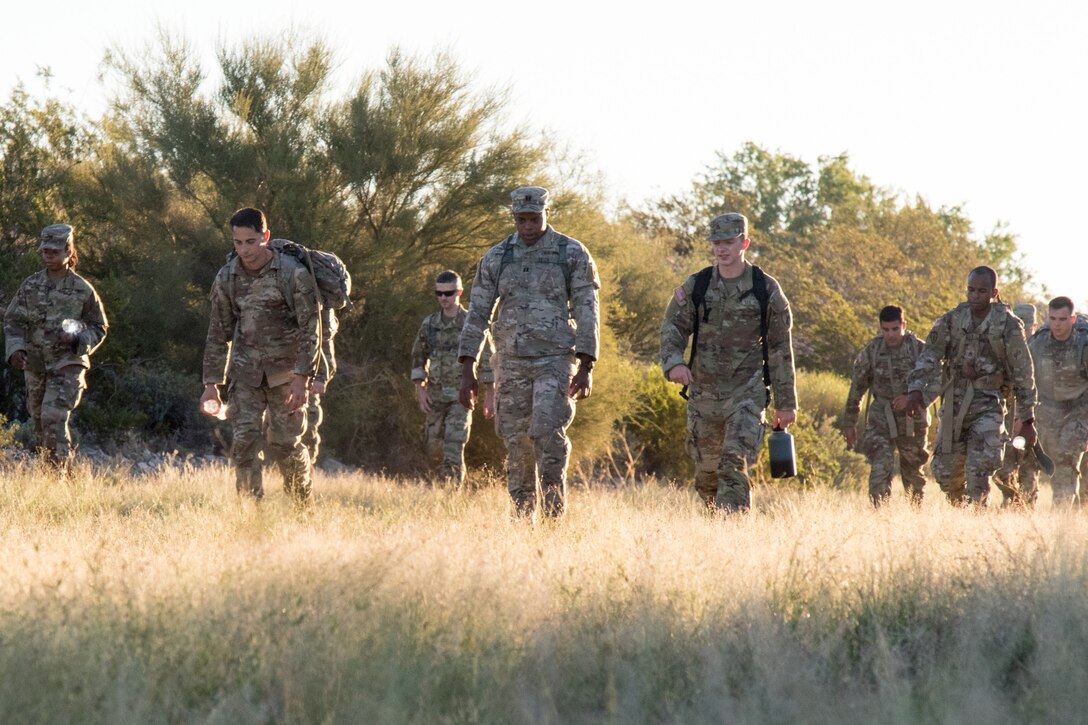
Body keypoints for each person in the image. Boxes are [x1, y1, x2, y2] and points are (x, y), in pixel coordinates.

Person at [457, 186, 600, 518]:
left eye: (534, 219)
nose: (528, 227)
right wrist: (468, 369)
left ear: (547, 214)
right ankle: (523, 518)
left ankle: (553, 516)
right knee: (516, 442)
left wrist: (586, 363)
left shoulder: (572, 253)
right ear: (513, 218)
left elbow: (587, 309)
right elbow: (477, 312)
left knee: (548, 434)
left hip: (555, 359)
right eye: (521, 220)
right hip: (510, 360)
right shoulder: (497, 257)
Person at [660, 213, 797, 512]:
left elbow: (780, 349)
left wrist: (786, 404)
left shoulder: (766, 289)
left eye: (729, 242)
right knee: (707, 476)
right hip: (704, 395)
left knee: (733, 462)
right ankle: (717, 535)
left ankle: (732, 527)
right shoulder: (698, 285)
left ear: (744, 243)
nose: (721, 249)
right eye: (717, 243)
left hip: (746, 394)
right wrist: (673, 363)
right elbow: (672, 326)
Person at [200, 207, 319, 503]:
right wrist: (211, 384)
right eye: (237, 243)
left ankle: (300, 507)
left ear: (265, 237)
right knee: (244, 444)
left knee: (284, 444)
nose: (244, 250)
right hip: (245, 375)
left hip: (286, 376)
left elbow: (310, 329)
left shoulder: (293, 275)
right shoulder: (227, 277)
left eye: (251, 242)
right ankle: (250, 514)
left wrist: (302, 378)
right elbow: (218, 333)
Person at [905, 266, 1037, 506]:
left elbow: (1023, 372)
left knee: (980, 468)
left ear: (993, 292)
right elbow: (929, 356)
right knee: (945, 473)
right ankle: (960, 509)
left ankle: (977, 513)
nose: (975, 296)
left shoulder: (1008, 325)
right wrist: (915, 390)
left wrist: (1027, 419)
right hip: (955, 402)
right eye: (971, 290)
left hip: (988, 403)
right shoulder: (953, 319)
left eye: (981, 291)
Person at [4, 224, 108, 468]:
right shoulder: (30, 286)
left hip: (67, 365)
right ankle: (58, 478)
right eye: (44, 251)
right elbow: (13, 320)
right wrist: (15, 349)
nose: (48, 256)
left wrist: (77, 340)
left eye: (54, 251)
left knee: (53, 418)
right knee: (40, 421)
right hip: (36, 365)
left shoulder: (83, 289)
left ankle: (59, 478)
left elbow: (99, 327)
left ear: (68, 252)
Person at [411, 270, 494, 484]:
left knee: (454, 444)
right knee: (432, 447)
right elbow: (418, 356)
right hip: (435, 396)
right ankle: (437, 490)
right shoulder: (429, 324)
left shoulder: (472, 324)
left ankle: (451, 495)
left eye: (448, 293)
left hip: (462, 396)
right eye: (439, 293)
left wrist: (490, 395)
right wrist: (420, 389)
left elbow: (488, 360)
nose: (443, 298)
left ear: (459, 292)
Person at [842, 305, 929, 507]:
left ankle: (915, 517)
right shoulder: (872, 352)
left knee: (912, 470)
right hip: (881, 415)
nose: (890, 334)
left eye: (895, 329)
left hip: (912, 418)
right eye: (886, 329)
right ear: (880, 328)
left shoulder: (920, 350)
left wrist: (912, 398)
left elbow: (934, 381)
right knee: (881, 463)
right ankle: (880, 512)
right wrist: (850, 423)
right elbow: (857, 388)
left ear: (903, 325)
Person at [1021, 297, 1088, 507]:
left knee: (1066, 461)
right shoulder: (1038, 343)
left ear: (1073, 319)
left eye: (1062, 319)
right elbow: (1024, 382)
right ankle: (1025, 509)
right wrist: (1021, 417)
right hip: (1046, 409)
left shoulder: (1083, 346)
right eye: (1053, 319)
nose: (1057, 324)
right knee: (1028, 458)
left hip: (1078, 410)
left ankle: (1061, 520)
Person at [994, 302, 1039, 505]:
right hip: (1007, 420)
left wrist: (1026, 419)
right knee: (1003, 470)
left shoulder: (1040, 351)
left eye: (1027, 328)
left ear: (1034, 327)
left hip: (1032, 422)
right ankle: (1012, 507)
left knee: (1029, 471)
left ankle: (1025, 515)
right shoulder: (1003, 350)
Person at [302, 307, 338, 466]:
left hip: (308, 369)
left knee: (308, 426)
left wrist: (322, 376)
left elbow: (325, 340)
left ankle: (305, 475)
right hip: (275, 365)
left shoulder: (316, 298)